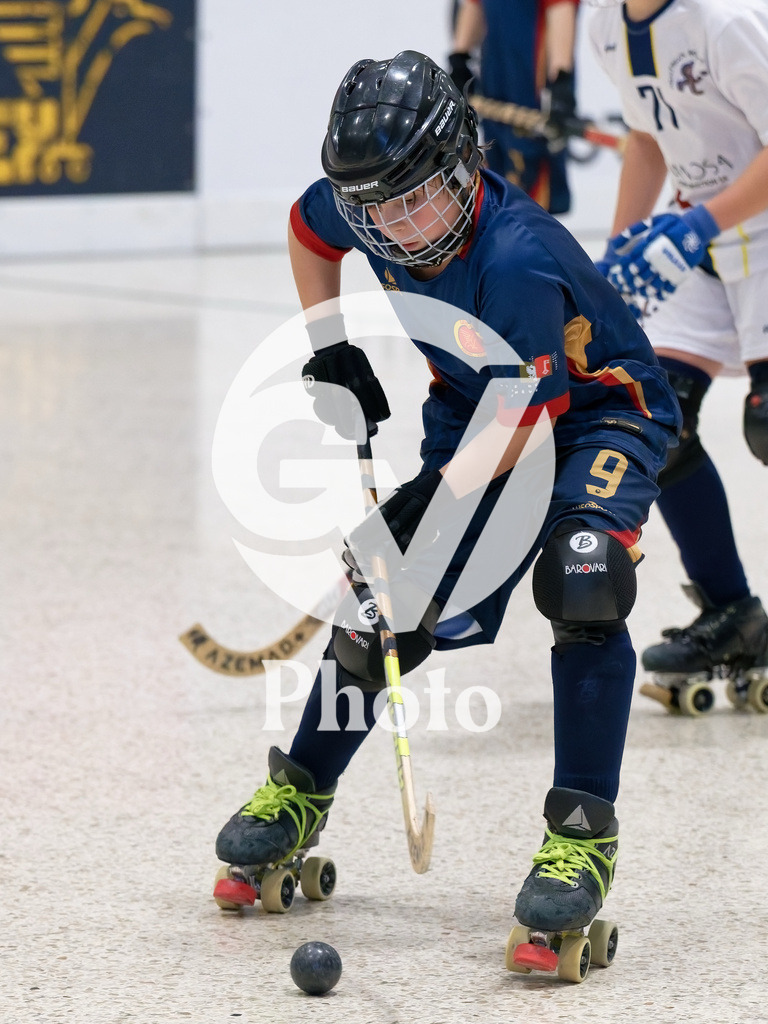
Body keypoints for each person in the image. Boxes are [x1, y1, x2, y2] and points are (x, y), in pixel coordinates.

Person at [214, 51, 680, 946]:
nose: (396, 227)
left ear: (463, 166)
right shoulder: (369, 201)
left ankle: (579, 838)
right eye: (374, 210)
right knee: (384, 596)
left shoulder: (515, 257)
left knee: (581, 579)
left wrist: (428, 502)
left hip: (591, 419)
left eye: (414, 198)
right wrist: (328, 343)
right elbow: (310, 231)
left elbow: (529, 427)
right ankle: (301, 788)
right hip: (479, 410)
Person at [589, 0, 768, 712]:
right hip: (702, 236)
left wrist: (698, 222)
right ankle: (733, 614)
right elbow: (645, 140)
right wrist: (610, 265)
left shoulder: (724, 23)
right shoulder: (608, 26)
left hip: (752, 229)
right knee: (653, 420)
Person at [449, 0, 580, 215]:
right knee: (495, 180)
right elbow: (474, 4)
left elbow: (561, 8)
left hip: (530, 85)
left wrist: (561, 81)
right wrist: (459, 58)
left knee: (529, 183)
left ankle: (533, 243)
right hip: (495, 78)